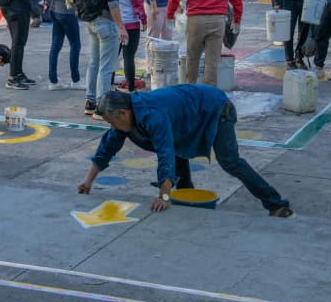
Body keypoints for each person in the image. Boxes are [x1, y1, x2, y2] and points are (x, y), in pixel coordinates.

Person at [78, 88, 293, 217]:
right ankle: (187, 201)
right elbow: (106, 149)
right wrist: (88, 182)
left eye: (111, 121)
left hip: (216, 109)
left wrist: (163, 195)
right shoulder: (123, 120)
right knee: (178, 151)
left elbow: (165, 153)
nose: (112, 126)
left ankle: (277, 205)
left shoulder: (152, 116)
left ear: (123, 113)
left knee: (230, 161)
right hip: (188, 116)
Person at [82, 0, 129, 115]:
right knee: (106, 67)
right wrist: (121, 27)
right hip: (106, 23)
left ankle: (90, 102)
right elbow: (113, 2)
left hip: (91, 20)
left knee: (93, 63)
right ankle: (103, 108)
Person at [116, 0, 146, 90]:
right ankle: (131, 88)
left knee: (110, 58)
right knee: (128, 57)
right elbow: (138, 0)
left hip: (113, 21)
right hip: (130, 23)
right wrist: (144, 19)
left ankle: (106, 86)